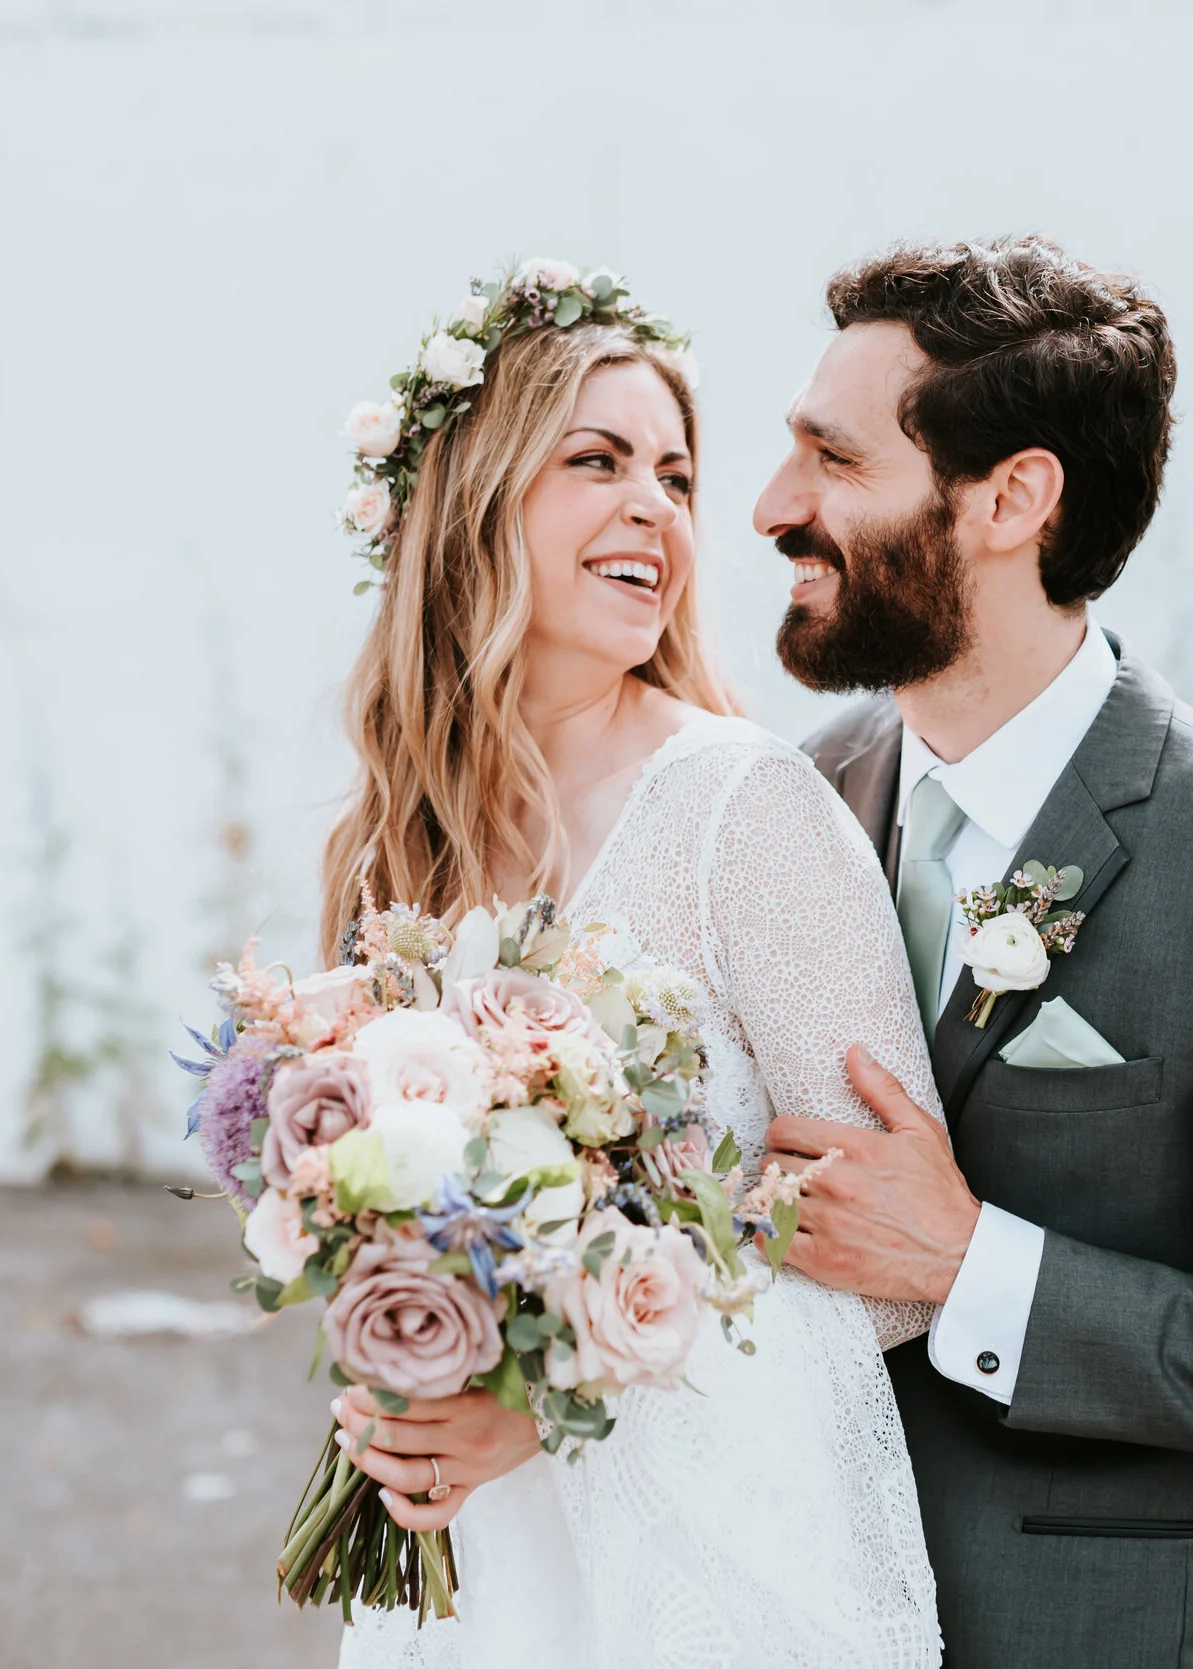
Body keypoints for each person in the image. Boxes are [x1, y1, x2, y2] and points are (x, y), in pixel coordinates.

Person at [754, 236, 1193, 1668]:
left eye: (835, 460)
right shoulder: (788, 801)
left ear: (1012, 497)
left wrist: (977, 1272)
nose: (774, 509)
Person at [327, 263, 943, 1669]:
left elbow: (892, 1259)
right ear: (471, 501)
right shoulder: (403, 839)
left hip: (706, 1577)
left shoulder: (741, 806)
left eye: (673, 473)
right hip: (482, 1570)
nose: (656, 509)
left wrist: (547, 1391)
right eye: (596, 461)